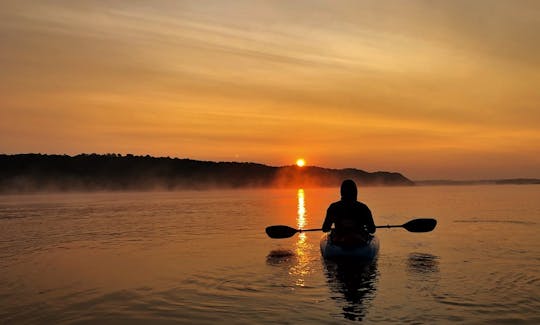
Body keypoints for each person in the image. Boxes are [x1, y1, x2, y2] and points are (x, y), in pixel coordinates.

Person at [322, 179, 376, 246]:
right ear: (355, 192)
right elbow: (372, 230)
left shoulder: (334, 207)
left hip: (339, 241)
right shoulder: (363, 208)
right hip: (359, 242)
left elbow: (325, 228)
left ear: (341, 192)